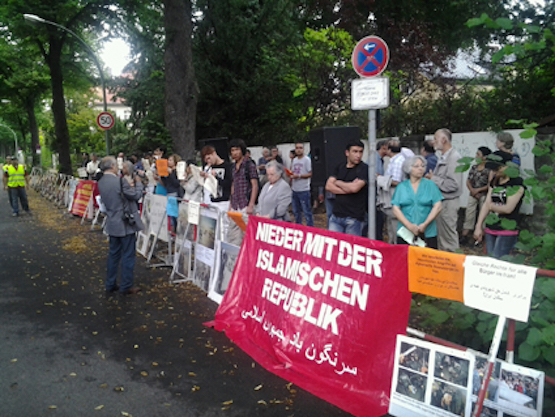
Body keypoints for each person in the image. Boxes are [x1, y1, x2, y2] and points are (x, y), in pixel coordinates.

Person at [97, 156, 144, 295]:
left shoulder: (101, 182)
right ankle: (126, 285)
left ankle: (110, 283)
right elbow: (135, 196)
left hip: (112, 222)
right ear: (112, 166)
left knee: (113, 255)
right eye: (116, 164)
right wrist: (139, 184)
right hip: (125, 223)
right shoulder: (119, 180)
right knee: (128, 255)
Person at [473, 151, 525, 259]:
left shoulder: (517, 183)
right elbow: (486, 204)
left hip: (507, 228)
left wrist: (491, 206)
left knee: (499, 260)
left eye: (497, 169)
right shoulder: (495, 181)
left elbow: (508, 208)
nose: (494, 172)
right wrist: (479, 226)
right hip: (491, 227)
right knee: (490, 259)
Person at [391, 156, 443, 249]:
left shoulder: (430, 185)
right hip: (405, 232)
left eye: (422, 166)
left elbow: (438, 206)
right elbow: (395, 209)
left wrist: (425, 224)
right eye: (416, 166)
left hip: (428, 232)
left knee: (427, 260)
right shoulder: (401, 187)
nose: (420, 168)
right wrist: (409, 226)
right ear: (409, 168)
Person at [425, 128, 463, 252]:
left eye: (435, 138)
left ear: (444, 140)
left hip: (448, 204)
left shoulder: (454, 158)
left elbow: (453, 184)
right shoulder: (444, 156)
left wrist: (433, 179)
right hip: (442, 203)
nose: (433, 142)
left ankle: (453, 267)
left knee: (449, 239)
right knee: (442, 239)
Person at [325, 140, 368, 236]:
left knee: (351, 248)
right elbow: (328, 186)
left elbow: (355, 188)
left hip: (354, 218)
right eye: (355, 151)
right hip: (336, 216)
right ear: (347, 153)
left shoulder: (364, 168)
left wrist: (338, 182)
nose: (358, 155)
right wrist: (348, 188)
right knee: (334, 246)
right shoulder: (340, 167)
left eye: (361, 152)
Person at [380, 139, 414, 244]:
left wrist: (381, 179)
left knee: (395, 229)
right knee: (391, 227)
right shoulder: (397, 159)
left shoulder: (398, 161)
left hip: (395, 198)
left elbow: (397, 181)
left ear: (389, 150)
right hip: (394, 199)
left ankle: (396, 249)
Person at [229, 139, 259, 245]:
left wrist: (251, 205)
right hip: (235, 205)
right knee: (233, 237)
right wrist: (230, 204)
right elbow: (233, 185)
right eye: (232, 150)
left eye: (237, 150)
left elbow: (255, 185)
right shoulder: (233, 167)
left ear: (242, 150)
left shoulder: (249, 164)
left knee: (248, 236)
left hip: (245, 204)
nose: (234, 153)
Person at [460, 147, 491, 246]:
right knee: (469, 213)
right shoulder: (474, 167)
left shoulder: (489, 169)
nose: (476, 156)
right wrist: (473, 191)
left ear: (485, 157)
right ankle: (465, 236)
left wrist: (478, 190)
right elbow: (468, 181)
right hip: (473, 194)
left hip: (484, 194)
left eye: (478, 154)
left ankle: (481, 237)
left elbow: (490, 184)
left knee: (484, 215)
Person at [201, 145, 233, 212]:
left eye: (209, 158)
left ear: (214, 153)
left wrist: (215, 177)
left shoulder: (227, 166)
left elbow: (229, 183)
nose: (208, 161)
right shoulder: (209, 167)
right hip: (211, 200)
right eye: (206, 160)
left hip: (224, 202)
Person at [290, 142, 313, 226]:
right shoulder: (294, 160)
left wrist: (299, 176)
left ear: (303, 149)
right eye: (297, 148)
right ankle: (299, 228)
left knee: (307, 212)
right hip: (295, 189)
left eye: (300, 148)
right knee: (296, 212)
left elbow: (310, 174)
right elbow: (292, 171)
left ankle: (310, 229)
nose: (299, 150)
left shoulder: (307, 160)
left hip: (304, 189)